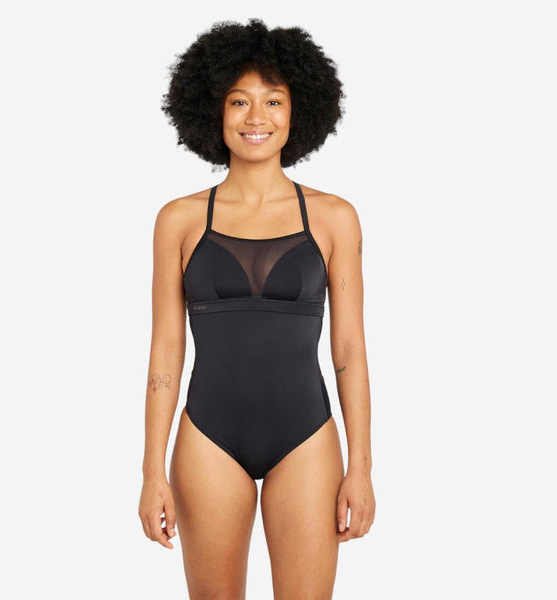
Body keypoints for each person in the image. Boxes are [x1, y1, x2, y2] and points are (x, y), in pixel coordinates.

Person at [138, 18, 375, 599]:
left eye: (273, 100)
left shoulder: (334, 217)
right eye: (239, 101)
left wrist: (362, 468)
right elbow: (166, 349)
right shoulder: (179, 220)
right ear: (213, 111)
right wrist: (150, 471)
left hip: (307, 438)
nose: (256, 117)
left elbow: (349, 348)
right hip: (207, 439)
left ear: (298, 111)